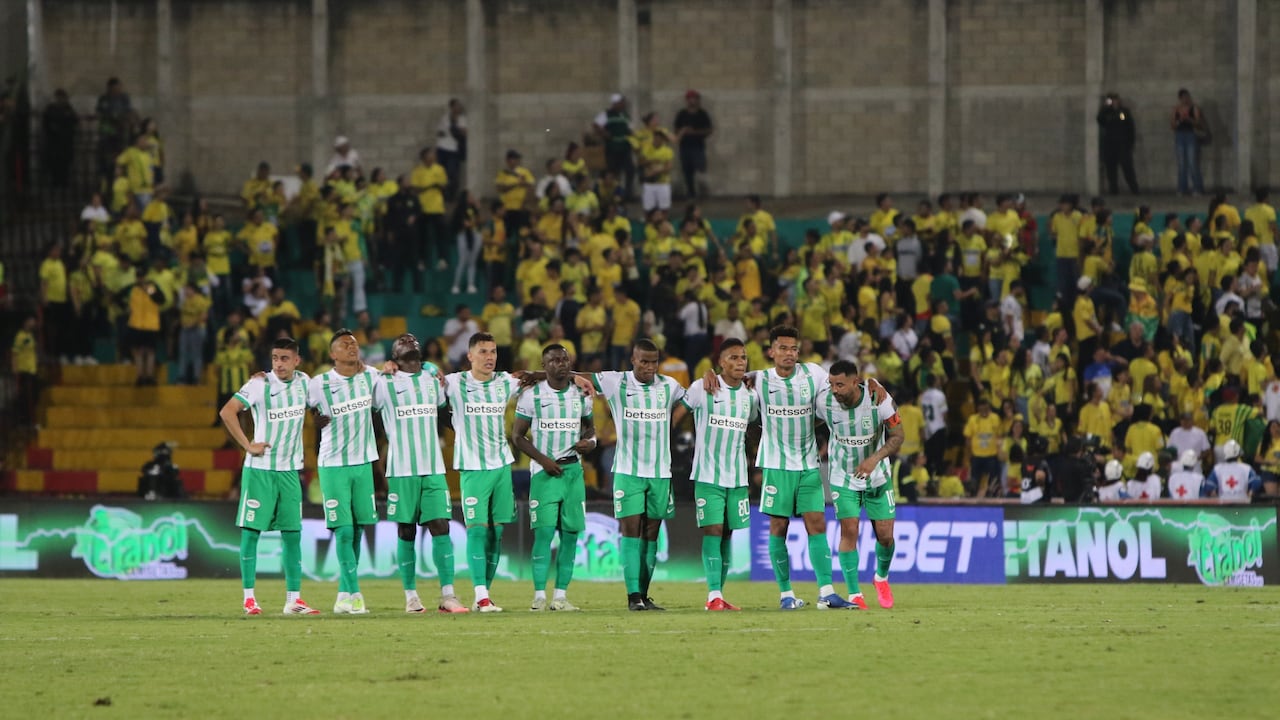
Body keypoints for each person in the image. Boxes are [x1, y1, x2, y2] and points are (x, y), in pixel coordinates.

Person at [218, 337, 319, 616]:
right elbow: (227, 412)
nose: (279, 364)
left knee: (292, 535)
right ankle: (249, 599)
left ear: (297, 360)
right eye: (275, 358)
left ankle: (294, 600)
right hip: (260, 471)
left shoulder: (304, 382)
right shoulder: (259, 384)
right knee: (251, 532)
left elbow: (321, 403)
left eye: (285, 358)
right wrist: (247, 445)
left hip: (289, 471)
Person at [586, 338, 685, 610]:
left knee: (651, 533)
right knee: (631, 529)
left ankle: (644, 594)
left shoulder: (670, 386)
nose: (649, 367)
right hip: (628, 471)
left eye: (654, 362)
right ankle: (632, 597)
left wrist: (712, 377)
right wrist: (537, 375)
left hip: (660, 473)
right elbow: (579, 377)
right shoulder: (616, 381)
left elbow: (696, 397)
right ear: (633, 360)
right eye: (644, 361)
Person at [375, 334, 469, 614]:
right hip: (402, 469)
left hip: (433, 468)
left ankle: (448, 595)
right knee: (406, 530)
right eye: (402, 340)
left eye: (412, 339)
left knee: (441, 525)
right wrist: (382, 367)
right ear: (394, 355)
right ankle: (411, 596)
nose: (408, 339)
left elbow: (445, 413)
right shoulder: (384, 383)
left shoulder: (433, 380)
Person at [443, 333, 529, 612]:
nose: (489, 356)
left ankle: (485, 594)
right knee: (477, 533)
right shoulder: (455, 383)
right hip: (472, 469)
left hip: (502, 466)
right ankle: (481, 595)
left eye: (493, 351)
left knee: (497, 534)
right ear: (469, 356)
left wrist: (577, 378)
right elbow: (425, 375)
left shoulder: (505, 382)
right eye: (482, 351)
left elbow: (541, 378)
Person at [672, 338, 757, 611]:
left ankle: (719, 594)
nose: (739, 362)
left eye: (743, 357)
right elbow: (676, 416)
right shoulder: (702, 387)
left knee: (728, 533)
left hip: (737, 476)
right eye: (733, 357)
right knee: (714, 529)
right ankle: (712, 594)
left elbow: (755, 426)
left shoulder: (750, 395)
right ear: (720, 362)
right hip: (708, 474)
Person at [813, 360, 904, 610]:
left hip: (878, 477)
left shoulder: (879, 399)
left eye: (840, 384)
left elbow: (898, 436)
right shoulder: (825, 402)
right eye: (832, 384)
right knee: (849, 531)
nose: (835, 390)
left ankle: (881, 578)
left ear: (856, 382)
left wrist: (873, 459)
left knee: (885, 537)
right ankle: (855, 595)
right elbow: (807, 418)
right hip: (843, 477)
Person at [512, 344, 596, 612]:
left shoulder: (582, 394)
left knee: (570, 536)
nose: (560, 363)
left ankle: (560, 597)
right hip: (544, 473)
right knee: (544, 535)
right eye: (554, 360)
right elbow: (517, 436)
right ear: (544, 364)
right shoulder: (531, 396)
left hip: (573, 472)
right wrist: (543, 460)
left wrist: (590, 442)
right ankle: (538, 596)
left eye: (565, 359)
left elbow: (591, 429)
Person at [308, 329, 382, 615]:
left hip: (363, 463)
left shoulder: (371, 377)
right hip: (333, 464)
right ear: (332, 354)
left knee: (358, 528)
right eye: (344, 345)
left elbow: (402, 374)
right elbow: (291, 395)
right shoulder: (318, 383)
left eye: (354, 343)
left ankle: (343, 594)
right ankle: (355, 593)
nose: (352, 347)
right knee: (344, 529)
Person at [1096, 92, 1139, 195]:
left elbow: (1127, 124)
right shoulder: (1106, 112)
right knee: (1111, 169)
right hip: (1110, 145)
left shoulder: (1123, 111)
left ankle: (1134, 189)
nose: (1114, 102)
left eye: (1115, 99)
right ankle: (1113, 191)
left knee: (1127, 168)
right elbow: (1100, 119)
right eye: (1111, 100)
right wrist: (1105, 107)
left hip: (1122, 145)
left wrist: (1130, 144)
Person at [594, 94, 634, 199]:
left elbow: (630, 129)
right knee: (612, 171)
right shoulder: (607, 114)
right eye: (621, 102)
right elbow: (596, 124)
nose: (623, 104)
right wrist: (604, 134)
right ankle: (610, 193)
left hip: (625, 148)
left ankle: (627, 194)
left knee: (630, 170)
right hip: (612, 148)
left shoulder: (624, 115)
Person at [674, 90, 712, 199]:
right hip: (685, 147)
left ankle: (703, 193)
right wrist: (683, 131)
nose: (692, 101)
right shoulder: (682, 114)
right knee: (687, 172)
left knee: (700, 171)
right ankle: (691, 194)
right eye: (690, 99)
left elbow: (709, 130)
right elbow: (676, 129)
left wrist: (694, 132)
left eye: (694, 98)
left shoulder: (702, 114)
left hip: (698, 147)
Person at [1171, 89, 1206, 196]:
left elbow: (1199, 124)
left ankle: (1197, 188)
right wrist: (1180, 120)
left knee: (1192, 163)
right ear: (1180, 98)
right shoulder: (1176, 109)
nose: (1186, 99)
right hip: (1180, 136)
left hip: (1191, 135)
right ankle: (1182, 188)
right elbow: (1172, 125)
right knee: (1182, 164)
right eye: (1183, 97)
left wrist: (1189, 119)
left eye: (1187, 97)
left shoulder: (1194, 108)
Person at [42, 89, 79, 190]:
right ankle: (55, 183)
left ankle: (64, 184)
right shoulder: (51, 108)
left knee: (65, 164)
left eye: (62, 97)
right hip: (54, 143)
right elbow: (46, 123)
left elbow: (74, 121)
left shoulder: (68, 108)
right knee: (54, 164)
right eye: (59, 97)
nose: (60, 100)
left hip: (66, 143)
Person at [435, 98, 467, 200]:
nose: (458, 108)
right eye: (456, 106)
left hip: (454, 150)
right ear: (451, 107)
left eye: (459, 105)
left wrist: (455, 128)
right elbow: (440, 132)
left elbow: (464, 133)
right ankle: (443, 194)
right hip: (442, 148)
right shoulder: (445, 118)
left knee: (453, 173)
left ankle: (451, 195)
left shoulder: (462, 119)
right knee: (442, 172)